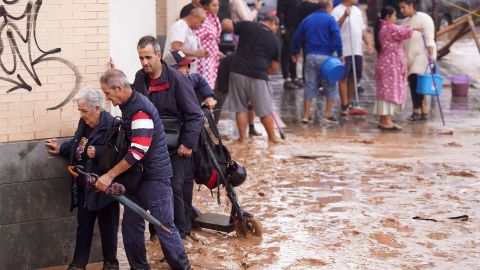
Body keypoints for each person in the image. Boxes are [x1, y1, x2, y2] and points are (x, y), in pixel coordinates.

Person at [97, 69, 191, 270]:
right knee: (131, 227)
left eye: (107, 93)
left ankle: (183, 268)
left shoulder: (140, 111)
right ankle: (139, 268)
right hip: (136, 177)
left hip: (154, 178)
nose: (107, 98)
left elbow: (136, 152)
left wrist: (109, 175)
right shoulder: (128, 104)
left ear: (120, 89)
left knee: (164, 226)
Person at [133, 36, 204, 241]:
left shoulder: (177, 79)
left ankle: (181, 234)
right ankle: (157, 233)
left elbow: (195, 114)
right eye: (140, 58)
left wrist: (187, 143)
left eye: (148, 57)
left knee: (173, 187)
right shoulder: (140, 78)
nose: (144, 62)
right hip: (151, 146)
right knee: (154, 189)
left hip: (177, 146)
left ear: (157, 55)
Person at [45, 88, 119, 270]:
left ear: (97, 108)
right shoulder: (84, 123)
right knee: (83, 226)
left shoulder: (112, 125)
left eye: (84, 111)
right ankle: (78, 265)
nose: (82, 114)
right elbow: (78, 142)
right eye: (80, 110)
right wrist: (62, 148)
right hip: (85, 185)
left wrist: (100, 152)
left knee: (108, 228)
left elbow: (120, 153)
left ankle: (111, 264)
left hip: (104, 187)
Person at [222, 15, 282, 143]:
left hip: (237, 71)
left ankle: (242, 138)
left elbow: (227, 24)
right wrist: (265, 72)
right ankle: (272, 138)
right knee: (265, 110)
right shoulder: (275, 40)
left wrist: (225, 22)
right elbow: (274, 67)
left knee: (241, 108)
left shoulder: (249, 25)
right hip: (258, 74)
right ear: (273, 24)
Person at [292, 0, 343, 124]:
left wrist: (295, 52)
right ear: (328, 7)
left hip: (310, 56)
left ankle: (306, 114)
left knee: (309, 84)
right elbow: (336, 36)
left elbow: (297, 35)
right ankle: (327, 113)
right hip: (326, 58)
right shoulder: (330, 20)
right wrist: (340, 53)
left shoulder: (308, 19)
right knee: (330, 84)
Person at [373, 6, 417, 131]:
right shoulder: (389, 28)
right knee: (389, 92)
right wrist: (414, 28)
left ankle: (384, 120)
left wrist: (411, 28)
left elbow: (401, 29)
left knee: (384, 92)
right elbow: (404, 32)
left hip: (384, 64)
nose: (396, 18)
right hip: (390, 65)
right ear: (387, 17)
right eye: (394, 16)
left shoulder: (382, 27)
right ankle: (387, 122)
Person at [332, 0, 374, 116]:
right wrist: (345, 16)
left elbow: (362, 30)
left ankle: (348, 102)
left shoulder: (357, 10)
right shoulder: (337, 10)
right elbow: (335, 27)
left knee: (356, 76)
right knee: (343, 76)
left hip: (357, 50)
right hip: (344, 50)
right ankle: (344, 104)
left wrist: (368, 43)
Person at [399, 0, 436, 121]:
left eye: (404, 7)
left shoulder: (425, 19)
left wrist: (431, 57)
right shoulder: (404, 22)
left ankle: (416, 110)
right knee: (416, 84)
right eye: (400, 8)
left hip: (423, 55)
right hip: (410, 57)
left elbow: (430, 39)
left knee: (416, 80)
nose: (401, 11)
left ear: (411, 6)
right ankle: (424, 110)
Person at [164, 7, 209, 74]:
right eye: (201, 21)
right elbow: (175, 48)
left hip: (184, 73)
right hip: (176, 73)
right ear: (194, 17)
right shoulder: (180, 26)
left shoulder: (189, 29)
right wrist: (196, 53)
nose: (201, 25)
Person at [195, 0, 223, 89]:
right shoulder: (202, 17)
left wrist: (217, 51)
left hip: (213, 56)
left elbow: (215, 39)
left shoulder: (214, 18)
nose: (216, 8)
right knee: (204, 83)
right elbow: (196, 37)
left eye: (217, 5)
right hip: (203, 56)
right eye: (214, 5)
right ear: (206, 6)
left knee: (210, 83)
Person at [277, 0, 303, 90]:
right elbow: (279, 13)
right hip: (288, 27)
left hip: (297, 27)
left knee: (295, 52)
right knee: (287, 53)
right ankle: (286, 77)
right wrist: (282, 27)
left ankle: (294, 76)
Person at [212, 52, 235, 124]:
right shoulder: (233, 58)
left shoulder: (231, 57)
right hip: (220, 84)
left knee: (217, 105)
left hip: (221, 83)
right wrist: (222, 88)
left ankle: (213, 126)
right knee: (217, 105)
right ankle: (213, 126)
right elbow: (222, 72)